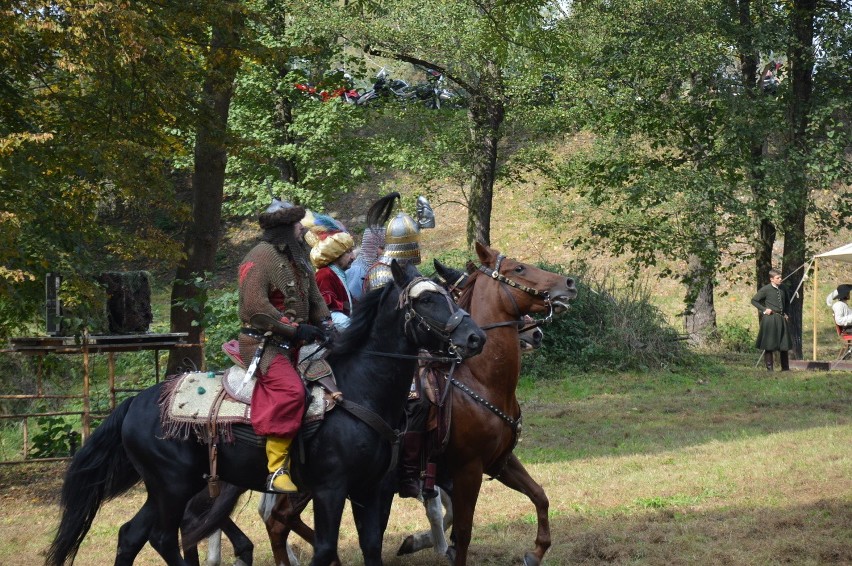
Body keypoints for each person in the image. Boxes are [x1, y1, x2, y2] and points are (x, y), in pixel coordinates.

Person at [238, 197, 331, 492]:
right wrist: (294, 329)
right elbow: (256, 308)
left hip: (294, 343)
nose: (301, 230)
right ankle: (276, 470)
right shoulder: (259, 257)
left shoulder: (299, 257)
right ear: (283, 228)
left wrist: (327, 326)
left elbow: (314, 297)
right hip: (263, 345)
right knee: (292, 392)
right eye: (296, 225)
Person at [308, 220, 356, 328]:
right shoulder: (324, 275)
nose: (353, 257)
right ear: (335, 254)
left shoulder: (336, 273)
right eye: (348, 252)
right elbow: (327, 312)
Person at [751, 269, 793, 371]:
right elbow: (754, 300)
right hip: (770, 319)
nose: (780, 279)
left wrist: (786, 313)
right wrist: (764, 309)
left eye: (780, 277)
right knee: (769, 344)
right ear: (772, 279)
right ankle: (770, 369)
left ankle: (785, 368)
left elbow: (787, 302)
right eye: (777, 278)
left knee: (784, 344)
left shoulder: (783, 288)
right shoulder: (766, 289)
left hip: (781, 318)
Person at [345, 225, 384, 303]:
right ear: (371, 247)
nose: (384, 252)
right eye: (382, 248)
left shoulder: (376, 268)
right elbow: (352, 301)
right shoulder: (357, 270)